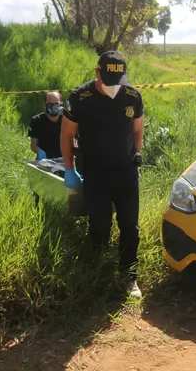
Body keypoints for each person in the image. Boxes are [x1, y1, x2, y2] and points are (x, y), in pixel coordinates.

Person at [60, 51, 145, 298]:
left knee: (130, 225)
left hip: (126, 172)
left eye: (116, 81)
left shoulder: (132, 96)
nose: (111, 87)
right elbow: (66, 135)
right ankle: (94, 273)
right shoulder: (80, 97)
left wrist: (136, 152)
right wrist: (69, 169)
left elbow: (138, 129)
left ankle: (129, 276)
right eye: (106, 79)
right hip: (96, 172)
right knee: (99, 225)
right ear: (97, 73)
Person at [28, 91, 64, 160]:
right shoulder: (37, 120)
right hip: (45, 161)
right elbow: (33, 145)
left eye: (56, 103)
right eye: (50, 103)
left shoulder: (67, 120)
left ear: (60, 104)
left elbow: (73, 141)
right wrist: (40, 152)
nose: (54, 106)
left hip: (64, 160)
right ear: (45, 104)